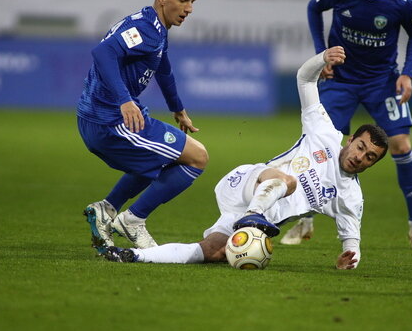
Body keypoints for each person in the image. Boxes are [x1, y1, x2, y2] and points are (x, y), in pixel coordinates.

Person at [104, 46, 389, 269]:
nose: (360, 157)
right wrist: (322, 58)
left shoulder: (350, 196)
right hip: (250, 182)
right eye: (361, 147)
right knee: (287, 181)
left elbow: (351, 242)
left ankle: (133, 256)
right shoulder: (326, 132)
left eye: (370, 157)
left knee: (211, 251)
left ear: (373, 164)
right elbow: (305, 78)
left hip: (262, 220)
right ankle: (255, 214)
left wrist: (349, 261)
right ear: (350, 140)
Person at [281, 0, 412, 250]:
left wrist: (408, 73)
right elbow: (313, 7)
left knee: (401, 144)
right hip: (342, 79)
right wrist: (322, 55)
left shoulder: (401, 2)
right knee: (323, 144)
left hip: (382, 81)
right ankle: (305, 218)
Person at [78, 0, 209, 251]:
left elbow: (162, 67)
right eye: (183, 0)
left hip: (99, 118)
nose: (188, 8)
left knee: (160, 157)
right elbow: (102, 53)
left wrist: (178, 108)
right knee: (197, 158)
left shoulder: (154, 25)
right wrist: (125, 100)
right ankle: (133, 220)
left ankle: (107, 210)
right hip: (111, 122)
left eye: (192, 1)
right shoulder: (145, 28)